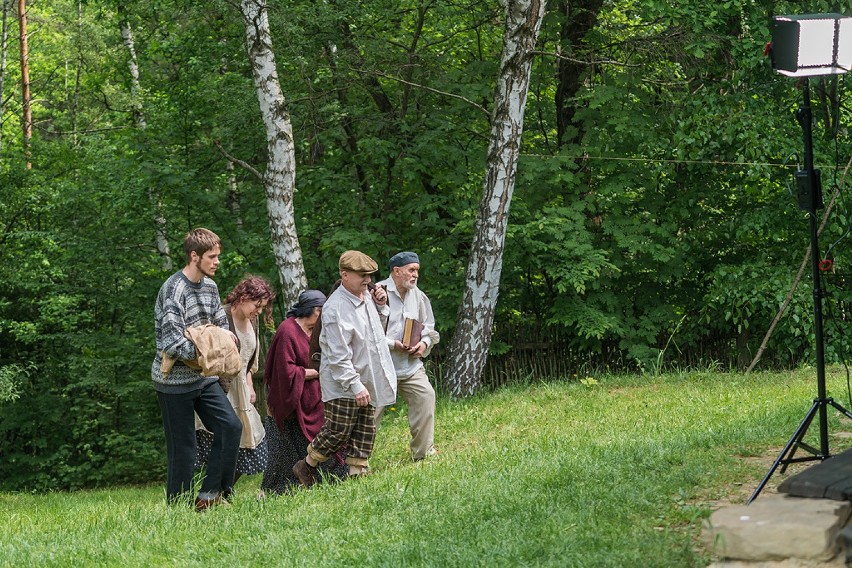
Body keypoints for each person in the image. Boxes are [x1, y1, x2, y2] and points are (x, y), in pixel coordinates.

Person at [151, 228, 242, 512]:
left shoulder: (211, 287)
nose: (217, 262)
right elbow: (172, 342)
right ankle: (177, 509)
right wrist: (207, 349)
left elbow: (222, 328)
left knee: (230, 426)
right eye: (212, 257)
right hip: (173, 381)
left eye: (217, 256)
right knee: (184, 450)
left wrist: (215, 343)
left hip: (204, 377)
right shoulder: (173, 289)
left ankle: (210, 495)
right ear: (194, 256)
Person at [291, 250, 397, 487]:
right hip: (342, 379)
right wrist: (355, 384)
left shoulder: (365, 297)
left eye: (369, 275)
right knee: (339, 429)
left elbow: (375, 335)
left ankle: (356, 473)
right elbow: (338, 356)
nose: (368, 280)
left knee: (366, 426)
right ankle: (306, 465)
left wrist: (381, 307)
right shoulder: (335, 308)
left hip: (366, 373)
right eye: (362, 275)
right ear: (345, 275)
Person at [261, 289, 348, 494]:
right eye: (322, 311)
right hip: (290, 401)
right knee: (285, 451)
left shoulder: (320, 330)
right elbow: (285, 371)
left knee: (325, 434)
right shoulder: (287, 331)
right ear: (314, 310)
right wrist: (317, 372)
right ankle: (279, 489)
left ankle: (333, 475)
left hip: (315, 398)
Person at [195, 275, 275, 495]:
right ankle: (211, 491)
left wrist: (249, 385)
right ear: (243, 297)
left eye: (262, 308)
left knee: (250, 444)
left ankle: (222, 490)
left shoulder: (254, 321)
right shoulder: (221, 315)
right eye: (256, 306)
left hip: (241, 388)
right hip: (221, 388)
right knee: (222, 441)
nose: (258, 312)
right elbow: (209, 355)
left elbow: (249, 360)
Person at [375, 251, 440, 461]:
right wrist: (393, 344)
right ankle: (357, 463)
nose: (415, 275)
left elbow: (429, 327)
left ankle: (423, 454)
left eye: (417, 271)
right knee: (370, 414)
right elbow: (368, 334)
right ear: (396, 271)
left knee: (426, 397)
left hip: (410, 366)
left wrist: (424, 343)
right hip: (381, 367)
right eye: (411, 270)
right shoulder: (377, 293)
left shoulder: (418, 296)